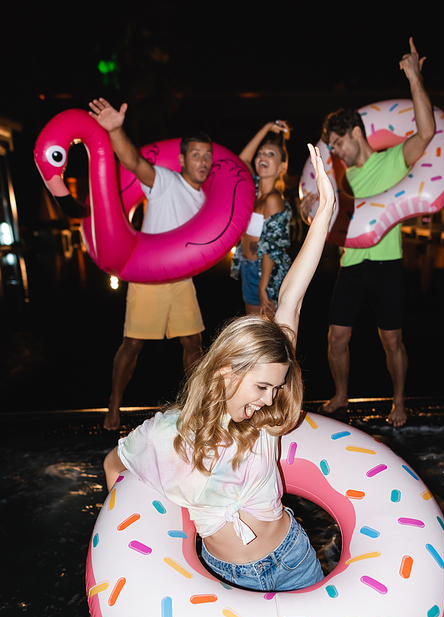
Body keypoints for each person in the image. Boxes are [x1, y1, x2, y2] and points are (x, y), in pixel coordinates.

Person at [103, 144, 336, 592]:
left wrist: (323, 213)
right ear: (230, 371)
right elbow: (114, 464)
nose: (272, 399)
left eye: (276, 387)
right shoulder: (167, 433)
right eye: (264, 386)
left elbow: (292, 297)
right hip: (222, 575)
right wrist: (121, 536)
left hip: (292, 560)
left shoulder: (265, 421)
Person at [303, 38, 435, 427]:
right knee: (336, 338)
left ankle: (398, 401)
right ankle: (341, 395)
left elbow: (426, 133)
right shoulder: (342, 179)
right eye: (334, 146)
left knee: (391, 340)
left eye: (340, 143)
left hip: (386, 263)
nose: (338, 152)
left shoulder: (393, 160)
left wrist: (413, 77)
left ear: (357, 133)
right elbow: (316, 210)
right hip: (352, 265)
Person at [88, 97, 212, 431]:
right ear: (183, 158)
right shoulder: (165, 181)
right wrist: (116, 130)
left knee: (193, 343)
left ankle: (198, 405)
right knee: (132, 344)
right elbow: (133, 160)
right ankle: (113, 405)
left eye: (207, 155)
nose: (203, 160)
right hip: (148, 276)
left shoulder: (205, 199)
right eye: (196, 154)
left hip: (181, 278)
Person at [230, 121, 292, 317]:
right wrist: (266, 128)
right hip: (248, 269)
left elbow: (272, 247)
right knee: (255, 332)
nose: (262, 156)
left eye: (270, 154)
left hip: (265, 273)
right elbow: (241, 161)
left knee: (267, 337)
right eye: (261, 153)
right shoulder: (253, 191)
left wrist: (264, 285)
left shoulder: (273, 199)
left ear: (282, 167)